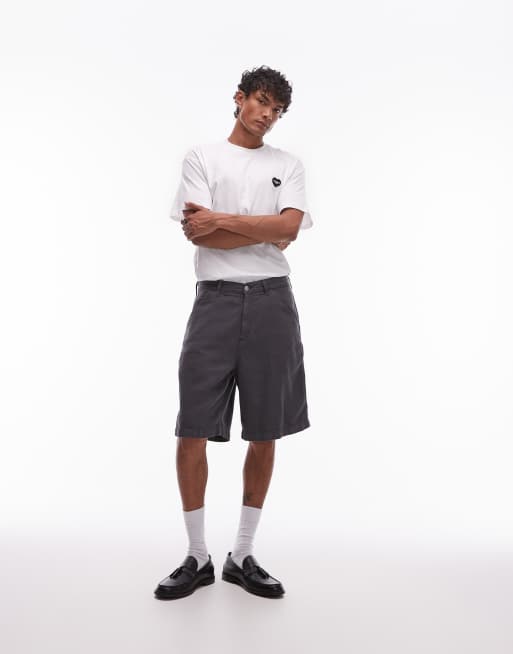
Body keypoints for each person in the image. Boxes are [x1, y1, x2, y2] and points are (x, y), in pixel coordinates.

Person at [154, 65, 313, 601]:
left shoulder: (287, 164)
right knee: (192, 427)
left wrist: (225, 221)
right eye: (262, 102)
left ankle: (242, 554)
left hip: (273, 302)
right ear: (240, 98)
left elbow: (289, 227)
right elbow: (200, 236)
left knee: (265, 430)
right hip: (215, 301)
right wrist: (264, 231)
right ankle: (197, 555)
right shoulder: (202, 157)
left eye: (277, 110)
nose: (268, 115)